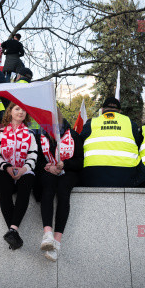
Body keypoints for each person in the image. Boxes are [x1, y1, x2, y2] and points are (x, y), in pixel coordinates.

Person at [37, 109, 83, 261]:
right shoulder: (40, 136)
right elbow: (37, 160)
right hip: (49, 171)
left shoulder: (73, 135)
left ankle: (56, 243)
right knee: (48, 189)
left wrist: (64, 164)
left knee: (63, 193)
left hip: (68, 172)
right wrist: (48, 166)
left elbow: (80, 162)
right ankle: (47, 234)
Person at [0, 103, 37, 250]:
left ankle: (12, 232)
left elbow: (33, 156)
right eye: (17, 108)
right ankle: (13, 233)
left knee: (26, 185)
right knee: (3, 187)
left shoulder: (30, 134)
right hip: (5, 170)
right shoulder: (1, 132)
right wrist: (8, 168)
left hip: (24, 171)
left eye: (24, 109)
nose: (21, 112)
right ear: (10, 112)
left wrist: (23, 169)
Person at [80, 97, 145, 187]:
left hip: (94, 176)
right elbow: (139, 145)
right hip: (125, 177)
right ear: (119, 111)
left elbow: (79, 147)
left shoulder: (90, 124)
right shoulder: (130, 124)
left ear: (102, 110)